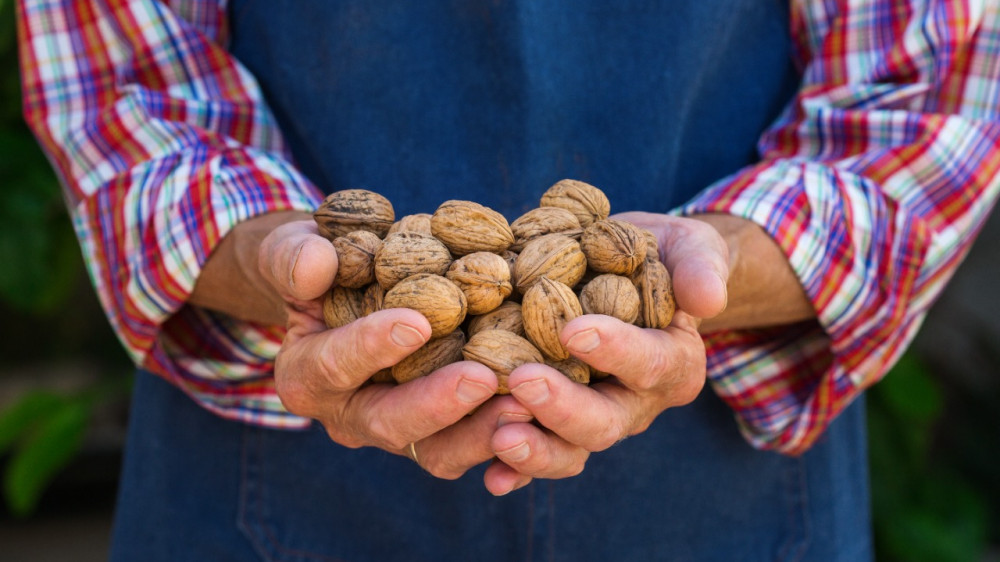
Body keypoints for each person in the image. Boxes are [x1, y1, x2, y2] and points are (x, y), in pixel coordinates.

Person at [16, 0, 1000, 560]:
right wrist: (272, 258)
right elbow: (125, 91)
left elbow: (929, 95)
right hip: (269, 483)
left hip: (719, 496)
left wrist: (726, 262)